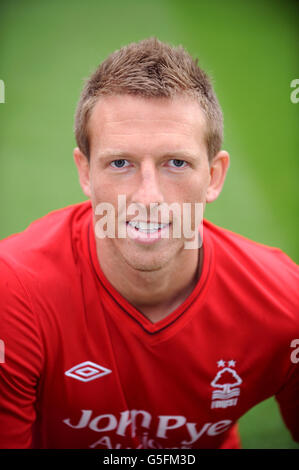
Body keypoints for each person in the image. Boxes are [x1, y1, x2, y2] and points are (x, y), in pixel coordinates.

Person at [0, 38, 298, 450]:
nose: (147, 197)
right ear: (85, 172)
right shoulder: (13, 294)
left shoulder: (285, 305)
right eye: (120, 163)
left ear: (213, 175)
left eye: (176, 163)